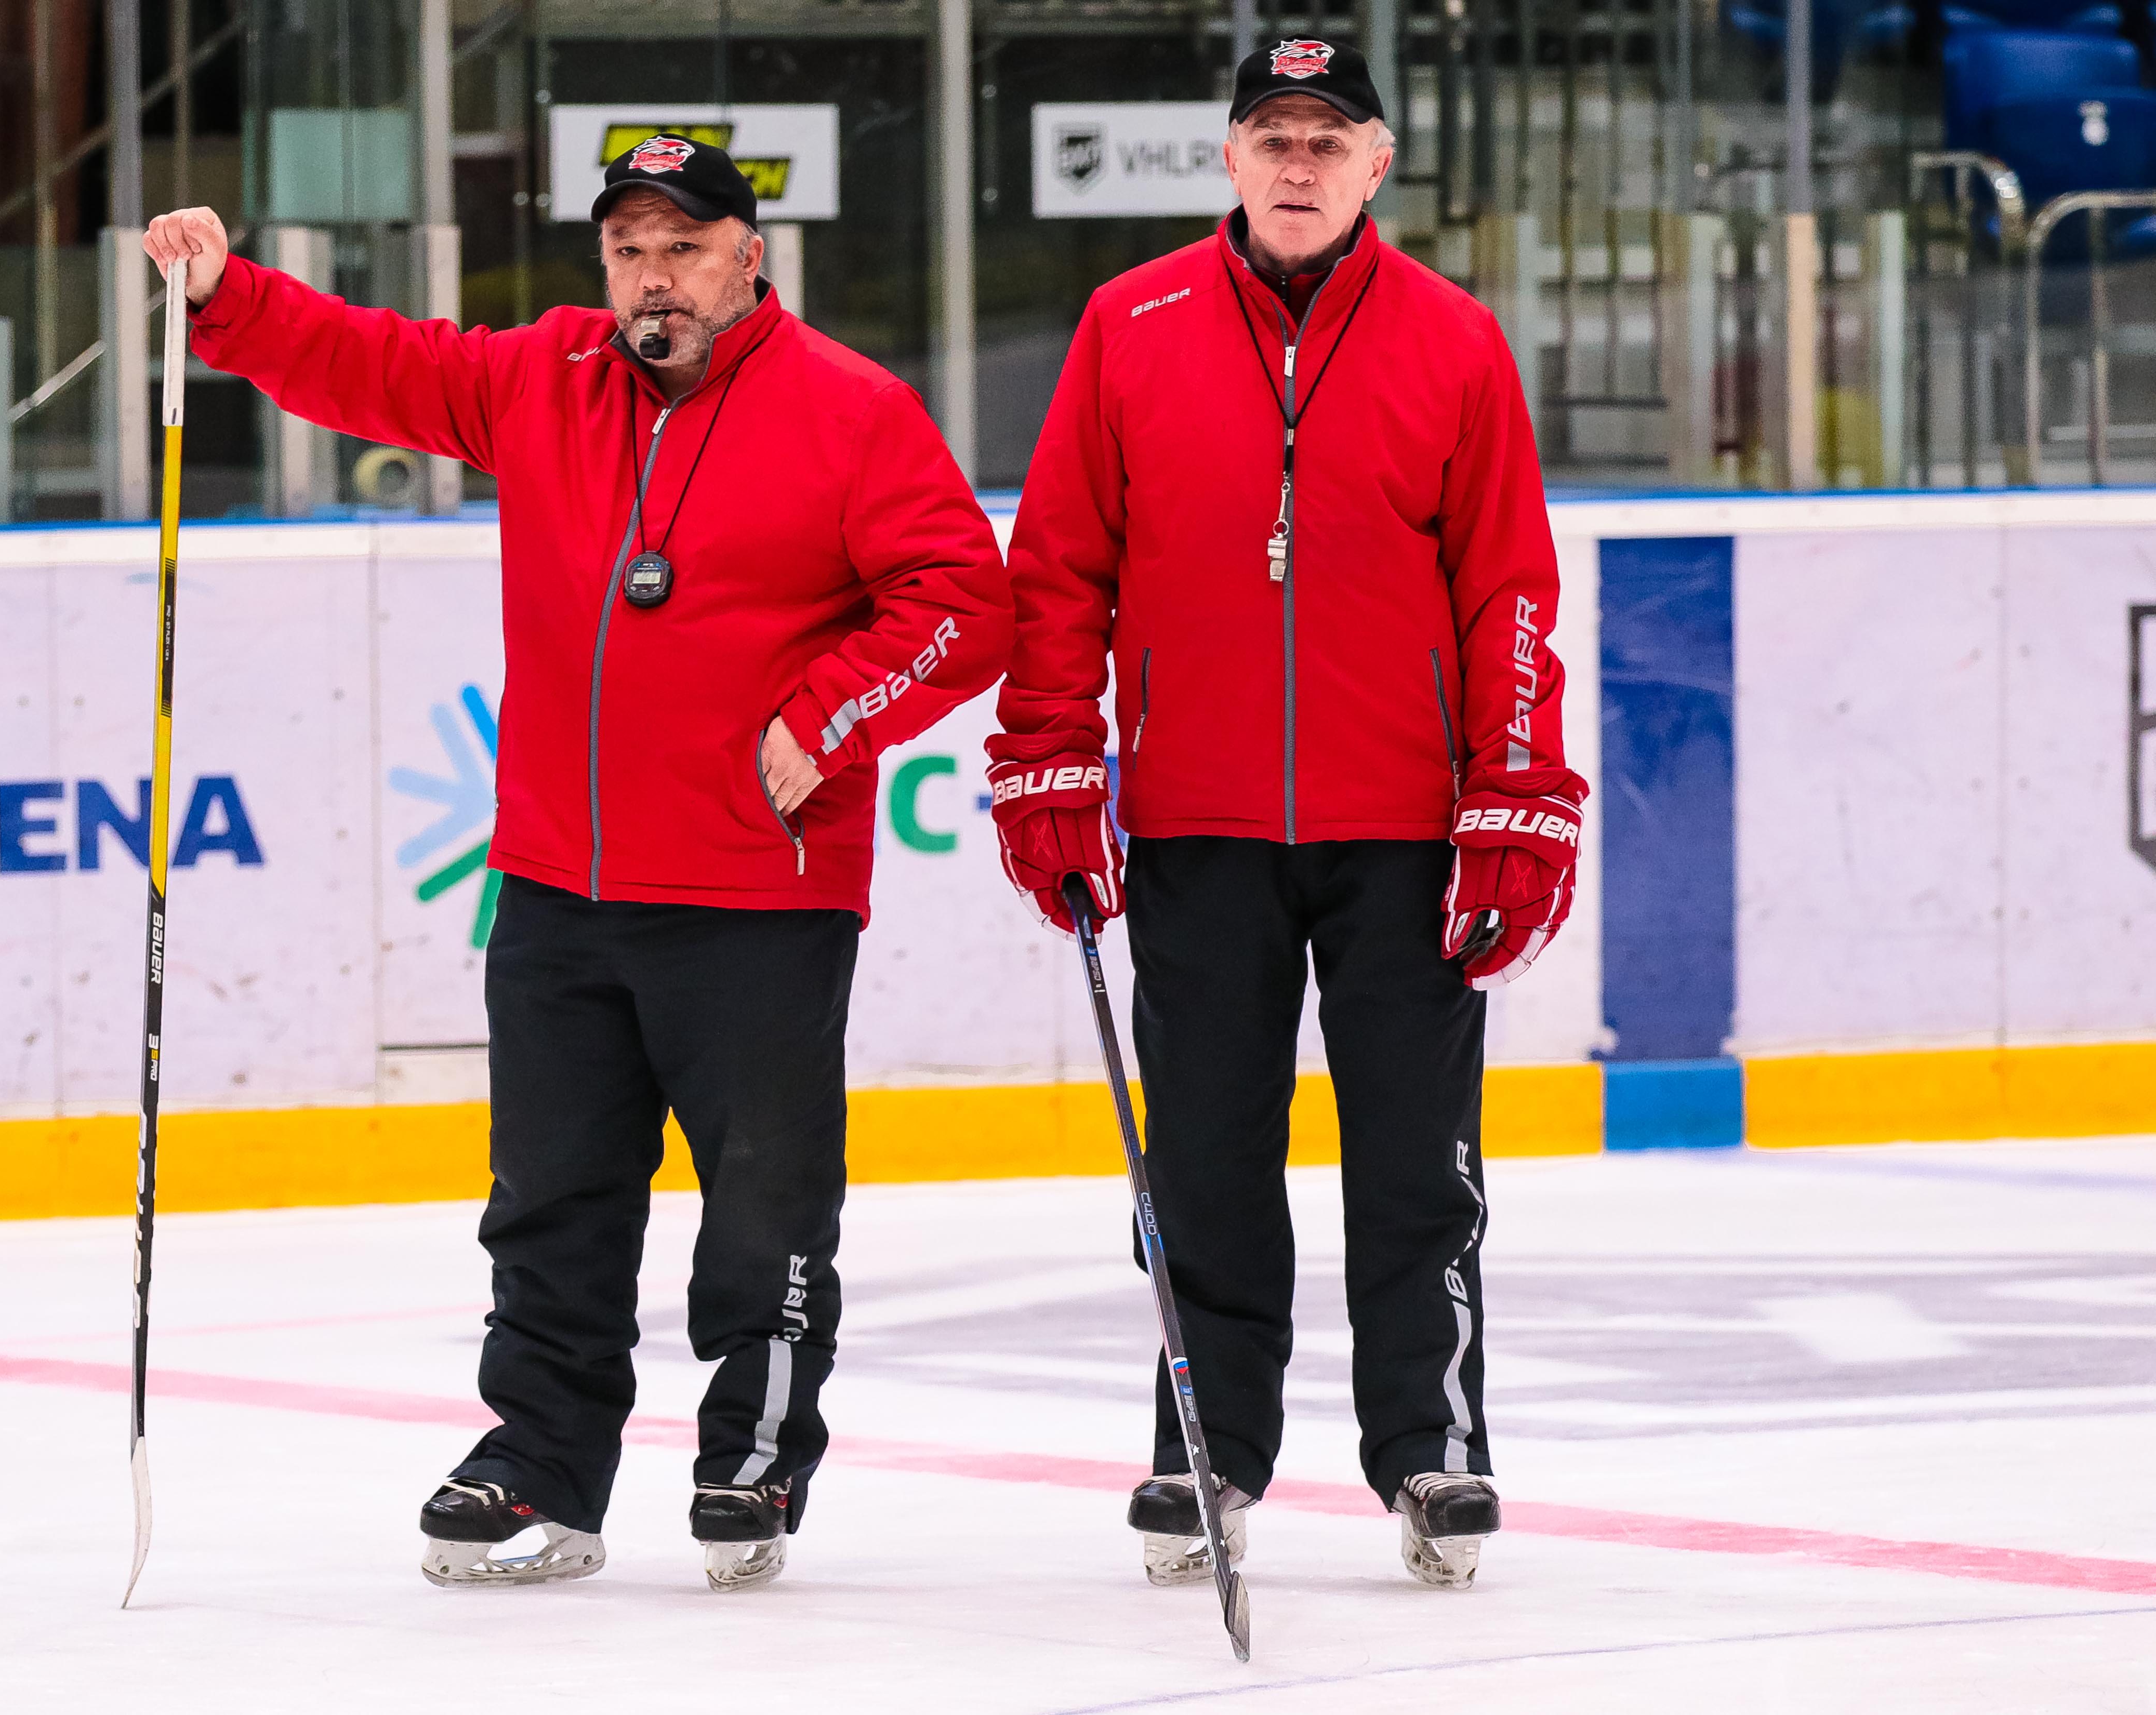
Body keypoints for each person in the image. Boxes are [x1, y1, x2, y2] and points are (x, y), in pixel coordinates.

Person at [145, 135, 1010, 1593]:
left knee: (764, 1207)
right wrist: (231, 297)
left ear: (751, 255)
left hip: (755, 892)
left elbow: (961, 603)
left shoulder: (850, 412)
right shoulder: (543, 379)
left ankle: (754, 1453)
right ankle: (541, 1465)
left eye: (682, 247)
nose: (652, 277)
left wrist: (830, 715)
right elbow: (381, 364)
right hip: (558, 883)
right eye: (627, 250)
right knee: (550, 1199)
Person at [986, 41, 1586, 1591]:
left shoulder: (1453, 340)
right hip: (1198, 824)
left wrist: (1515, 795)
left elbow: (1509, 588)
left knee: (1416, 1157)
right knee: (1201, 1160)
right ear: (1231, 160)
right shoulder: (1134, 325)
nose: (1300, 162)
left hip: (1403, 831)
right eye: (1273, 136)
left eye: (1330, 137)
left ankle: (1434, 1447)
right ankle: (1209, 1449)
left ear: (1379, 161)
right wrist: (1052, 758)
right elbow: (1058, 570)